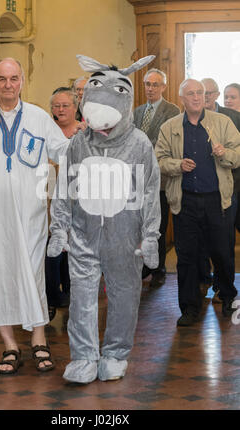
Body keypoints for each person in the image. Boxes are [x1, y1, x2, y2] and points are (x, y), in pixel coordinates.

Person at [48, 53, 160, 384]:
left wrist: (150, 235)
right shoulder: (79, 143)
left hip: (125, 239)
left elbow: (150, 191)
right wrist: (59, 229)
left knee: (125, 296)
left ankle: (115, 353)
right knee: (81, 298)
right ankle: (83, 357)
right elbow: (64, 188)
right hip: (83, 236)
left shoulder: (139, 144)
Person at [0, 57, 70, 374]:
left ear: (22, 81)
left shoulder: (38, 117)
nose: (8, 84)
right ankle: (9, 345)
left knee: (33, 272)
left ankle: (38, 339)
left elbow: (62, 150)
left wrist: (91, 143)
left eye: (14, 78)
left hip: (31, 214)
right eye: (2, 79)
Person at [155, 78, 240, 326]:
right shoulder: (169, 127)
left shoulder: (222, 123)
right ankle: (189, 308)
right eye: (190, 93)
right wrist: (177, 165)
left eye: (200, 93)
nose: (196, 97)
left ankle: (227, 298)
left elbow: (238, 154)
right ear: (181, 98)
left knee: (223, 253)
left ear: (205, 97)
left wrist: (226, 154)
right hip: (185, 201)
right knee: (187, 257)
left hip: (217, 200)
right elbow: (159, 159)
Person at [134, 68, 180, 287]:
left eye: (155, 84)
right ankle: (144, 264)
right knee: (140, 223)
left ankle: (158, 266)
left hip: (160, 178)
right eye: (147, 84)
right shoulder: (137, 111)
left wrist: (143, 149)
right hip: (138, 179)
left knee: (158, 224)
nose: (150, 88)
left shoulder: (172, 111)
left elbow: (165, 143)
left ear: (163, 86)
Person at [201, 78, 240, 302]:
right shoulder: (191, 118)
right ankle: (204, 280)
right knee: (205, 240)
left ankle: (223, 287)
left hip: (231, 187)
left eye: (207, 94)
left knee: (224, 241)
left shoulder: (232, 117)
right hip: (203, 190)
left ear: (214, 95)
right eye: (199, 93)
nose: (203, 98)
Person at [45, 88, 79, 321]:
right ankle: (51, 297)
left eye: (65, 105)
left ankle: (70, 293)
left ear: (76, 107)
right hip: (47, 196)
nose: (60, 110)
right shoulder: (46, 130)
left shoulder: (85, 131)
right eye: (56, 106)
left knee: (73, 250)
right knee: (51, 248)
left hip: (78, 198)